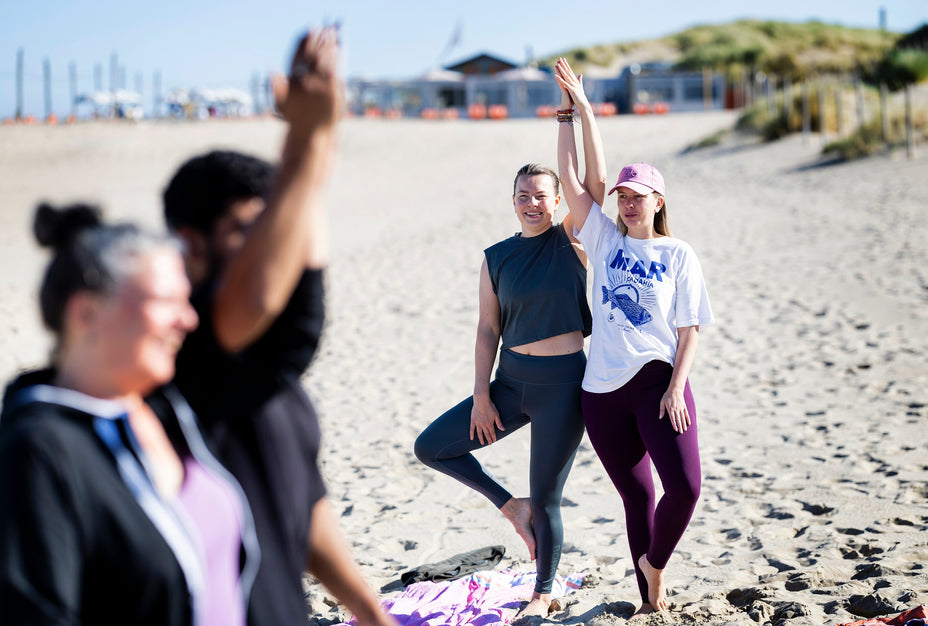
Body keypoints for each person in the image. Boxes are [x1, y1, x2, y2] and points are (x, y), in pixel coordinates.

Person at [162, 28, 396, 626]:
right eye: (247, 231)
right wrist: (306, 138)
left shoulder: (276, 383)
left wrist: (371, 611)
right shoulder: (183, 362)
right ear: (190, 247)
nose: (275, 248)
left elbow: (300, 503)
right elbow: (264, 294)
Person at [0, 203, 260, 626]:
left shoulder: (165, 410)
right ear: (87, 313)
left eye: (187, 300)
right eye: (167, 301)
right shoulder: (39, 449)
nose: (188, 319)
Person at [554, 57, 714, 617]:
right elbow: (574, 183)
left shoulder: (678, 253)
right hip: (600, 393)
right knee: (638, 497)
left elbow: (690, 328)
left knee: (686, 489)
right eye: (623, 195)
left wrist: (676, 386)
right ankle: (651, 598)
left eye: (637, 195)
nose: (626, 201)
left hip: (657, 383)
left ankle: (653, 564)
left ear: (658, 202)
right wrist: (567, 119)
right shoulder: (602, 239)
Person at [414, 162, 592, 618]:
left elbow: (594, 184)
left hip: (564, 388)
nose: (531, 203)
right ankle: (512, 507)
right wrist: (481, 395)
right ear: (512, 201)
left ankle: (543, 592)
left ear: (557, 201)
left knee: (548, 496)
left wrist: (574, 114)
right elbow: (488, 328)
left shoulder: (571, 240)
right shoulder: (495, 257)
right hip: (510, 384)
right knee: (431, 446)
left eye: (540, 196)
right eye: (522, 195)